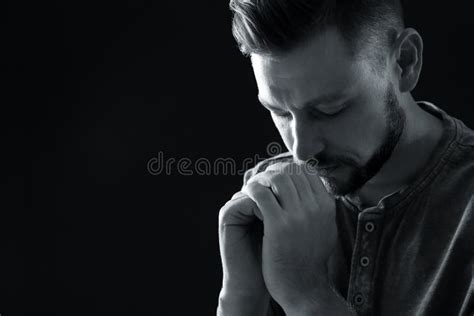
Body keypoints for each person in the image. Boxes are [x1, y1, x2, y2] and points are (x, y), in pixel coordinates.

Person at [217, 0, 474, 315]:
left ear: (405, 63)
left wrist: (308, 295)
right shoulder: (274, 197)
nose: (301, 151)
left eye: (330, 110)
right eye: (280, 112)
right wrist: (242, 298)